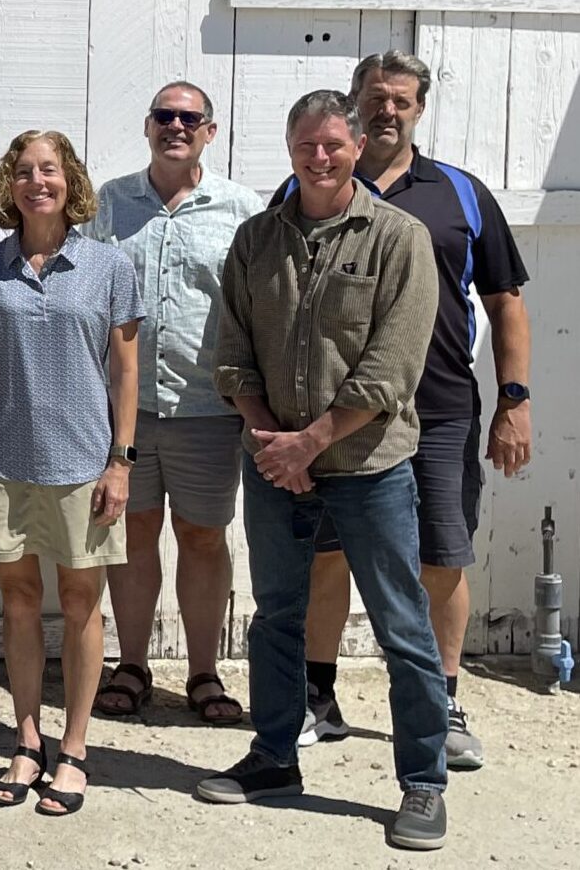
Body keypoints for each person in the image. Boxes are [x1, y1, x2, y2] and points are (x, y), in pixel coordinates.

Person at [195, 89, 449, 852]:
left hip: (370, 466)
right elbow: (232, 352)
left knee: (403, 627)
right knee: (275, 616)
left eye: (333, 144)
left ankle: (424, 784)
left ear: (356, 147)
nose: (320, 157)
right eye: (306, 144)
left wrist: (313, 441)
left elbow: (391, 366)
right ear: (290, 148)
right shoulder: (255, 240)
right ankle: (274, 756)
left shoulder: (398, 239)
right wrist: (274, 440)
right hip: (275, 465)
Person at [297, 51, 529, 769]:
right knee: (327, 558)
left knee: (441, 560)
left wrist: (514, 401)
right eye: (374, 97)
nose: (386, 110)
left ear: (419, 108)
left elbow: (506, 303)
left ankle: (442, 700)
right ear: (356, 103)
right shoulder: (316, 180)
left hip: (440, 410)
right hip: (338, 415)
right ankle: (318, 698)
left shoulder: (461, 193)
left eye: (401, 99)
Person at [0, 129, 140, 819]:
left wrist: (121, 462)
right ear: (9, 184)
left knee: (83, 604)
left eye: (50, 170)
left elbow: (125, 372)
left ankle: (76, 747)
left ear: (71, 182)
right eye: (25, 171)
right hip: (2, 459)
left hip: (83, 463)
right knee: (21, 600)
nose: (38, 181)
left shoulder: (109, 266)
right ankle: (27, 739)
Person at [87, 83, 261, 725]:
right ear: (148, 126)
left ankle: (203, 671)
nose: (177, 126)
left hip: (208, 408)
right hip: (123, 408)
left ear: (210, 132)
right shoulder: (109, 205)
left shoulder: (242, 208)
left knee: (203, 536)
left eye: (190, 118)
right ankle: (132, 664)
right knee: (131, 533)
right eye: (165, 116)